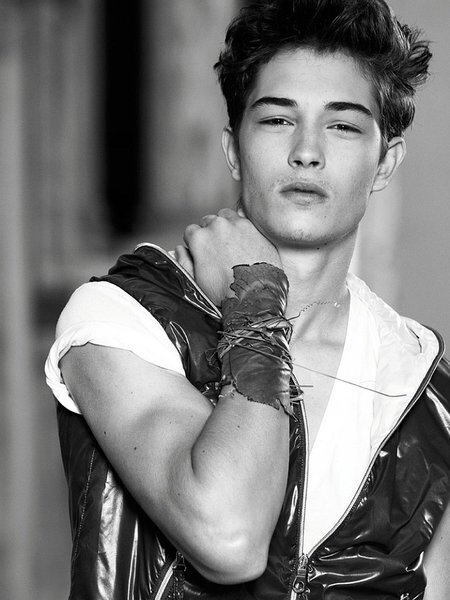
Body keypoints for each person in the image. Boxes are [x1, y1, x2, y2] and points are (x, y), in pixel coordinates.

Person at [45, 0, 450, 598]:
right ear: (233, 149)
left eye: (342, 125)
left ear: (385, 161)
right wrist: (256, 296)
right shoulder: (124, 317)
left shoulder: (424, 388)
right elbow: (228, 538)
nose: (306, 151)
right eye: (278, 120)